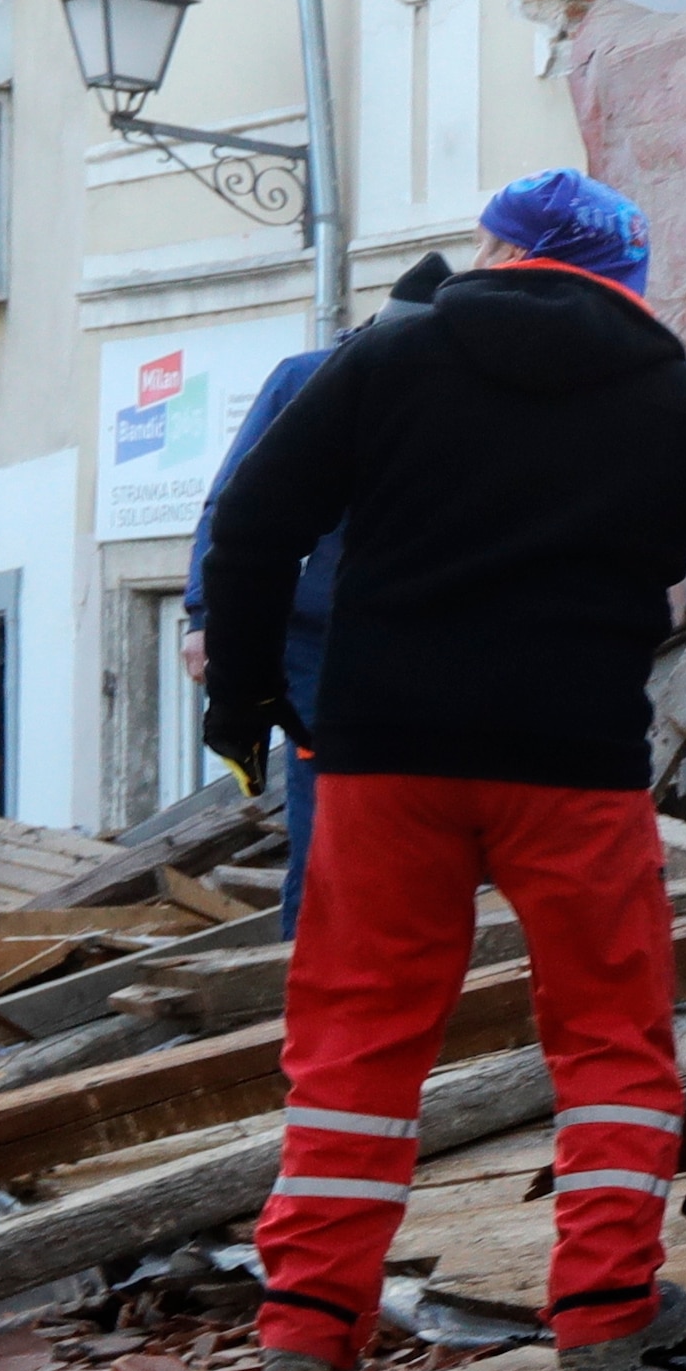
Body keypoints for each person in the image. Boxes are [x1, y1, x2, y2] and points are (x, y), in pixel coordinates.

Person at [200, 168, 686, 1371]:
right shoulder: (683, 405)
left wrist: (241, 698)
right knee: (612, 1041)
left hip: (383, 761)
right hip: (576, 769)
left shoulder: (387, 361)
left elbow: (249, 525)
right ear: (625, 283)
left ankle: (305, 1328)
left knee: (354, 1042)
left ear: (499, 251)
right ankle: (604, 1315)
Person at [178, 254, 446, 935]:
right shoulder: (309, 380)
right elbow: (234, 506)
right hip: (320, 653)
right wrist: (206, 617)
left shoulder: (457, 393)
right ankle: (307, 1003)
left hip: (421, 650)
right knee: (329, 835)